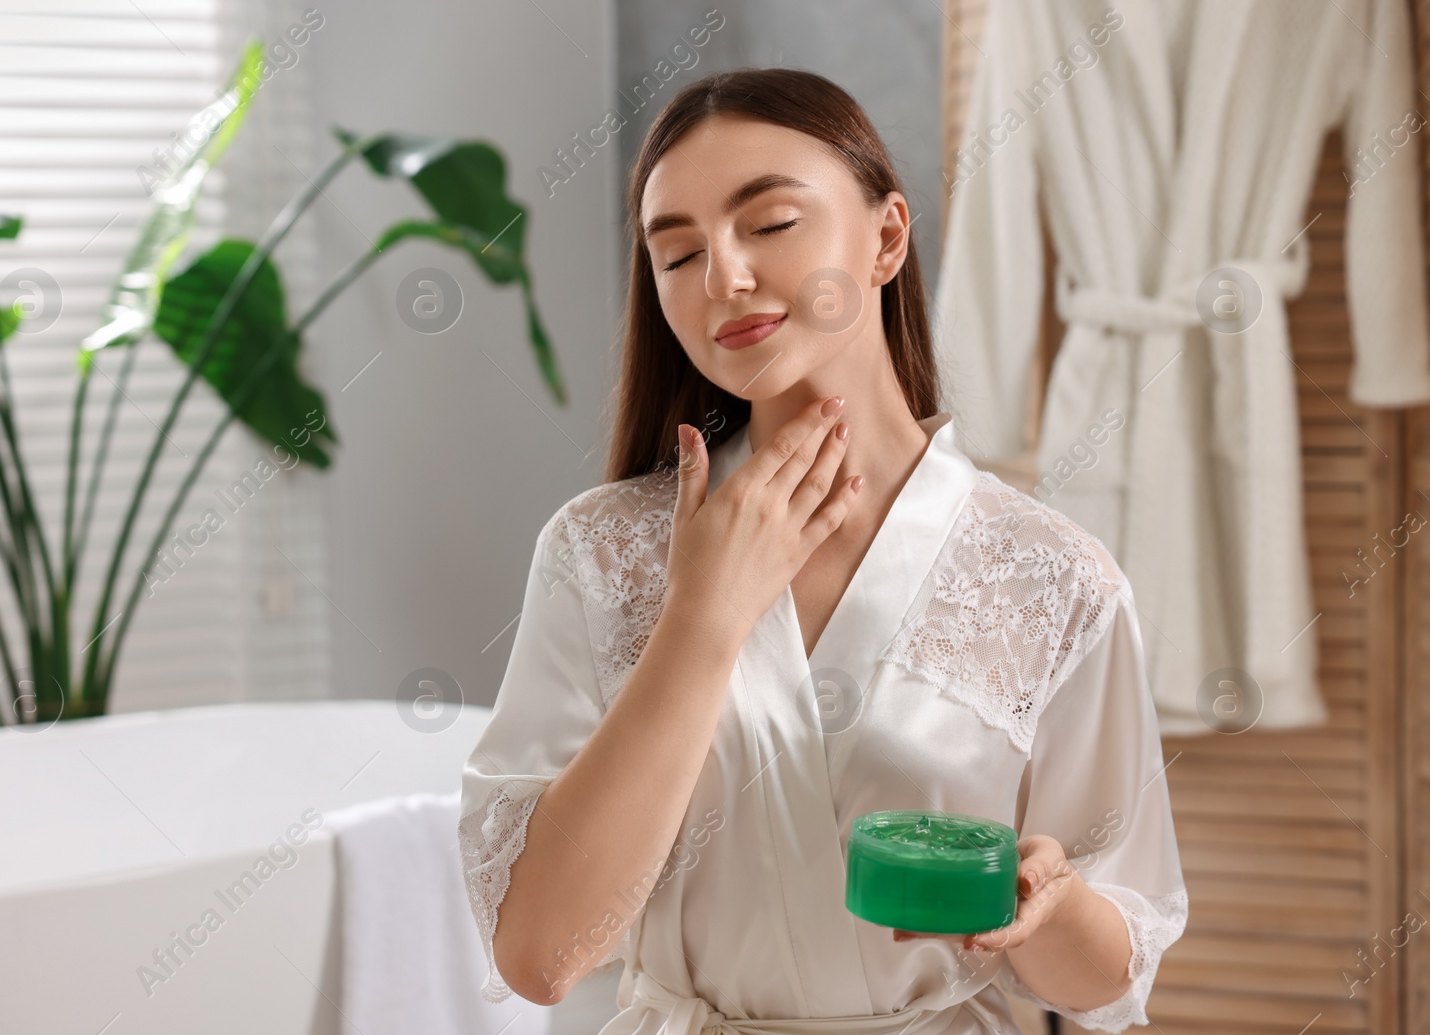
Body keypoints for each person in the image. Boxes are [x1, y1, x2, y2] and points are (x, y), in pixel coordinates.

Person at [458, 67, 1187, 1035]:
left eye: (768, 224)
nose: (723, 276)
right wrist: (703, 618)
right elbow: (541, 953)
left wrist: (1040, 908)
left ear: (886, 237)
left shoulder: (1052, 577)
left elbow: (1107, 975)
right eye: (676, 254)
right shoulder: (600, 553)